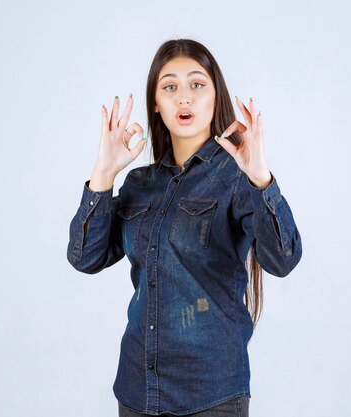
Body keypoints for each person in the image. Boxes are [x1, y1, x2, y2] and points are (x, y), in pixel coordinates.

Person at [67, 38, 302, 417]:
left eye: (197, 84)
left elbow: (283, 260)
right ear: (156, 105)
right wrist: (104, 174)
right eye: (169, 87)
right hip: (138, 392)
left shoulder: (235, 176)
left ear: (215, 98)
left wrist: (261, 179)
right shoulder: (139, 184)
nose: (184, 98)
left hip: (210, 396)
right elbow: (85, 258)